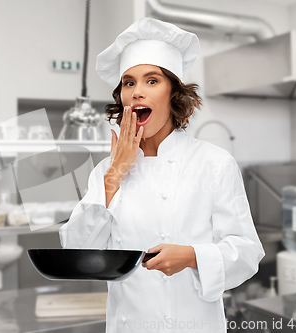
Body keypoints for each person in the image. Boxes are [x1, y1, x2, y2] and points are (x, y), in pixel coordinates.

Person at [59, 17, 265, 333]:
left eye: (152, 81)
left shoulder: (213, 163)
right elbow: (77, 251)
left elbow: (248, 252)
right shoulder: (106, 170)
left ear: (173, 94)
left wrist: (193, 256)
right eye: (129, 83)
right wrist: (117, 171)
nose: (137, 92)